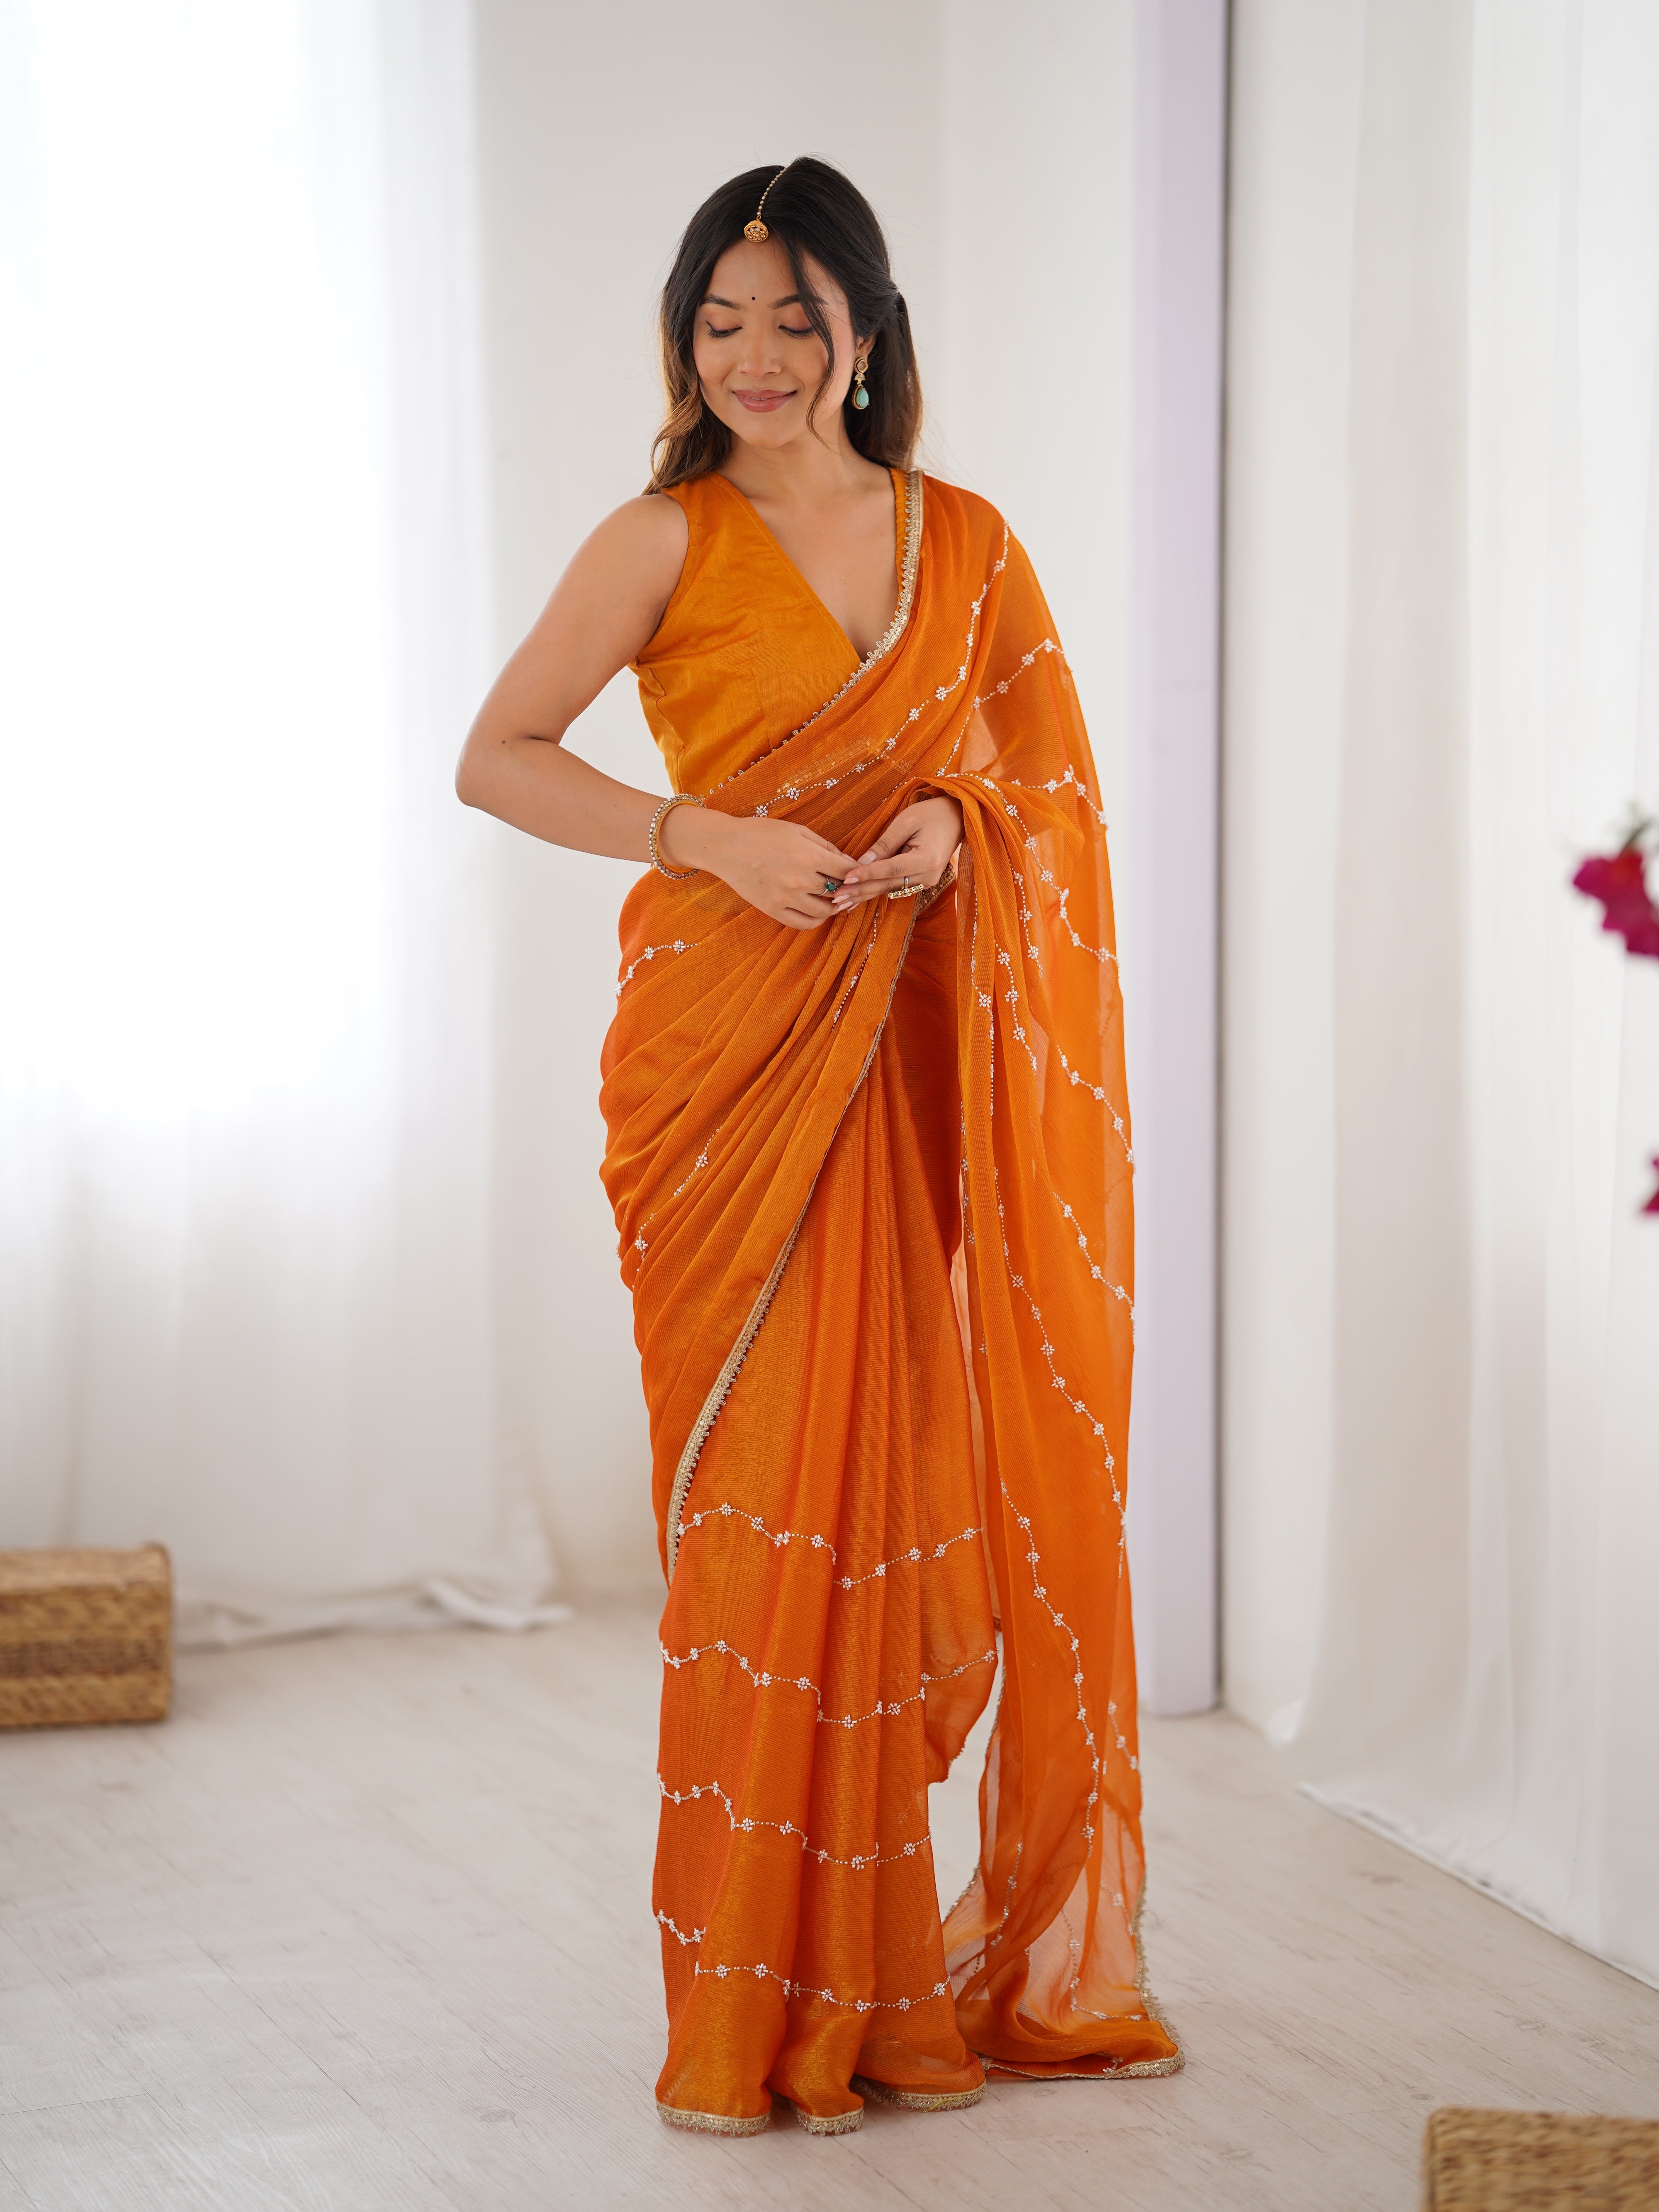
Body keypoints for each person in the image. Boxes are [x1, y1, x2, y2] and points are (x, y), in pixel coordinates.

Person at [456, 156, 1181, 2137]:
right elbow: (495, 752)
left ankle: (872, 2006)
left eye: (795, 313)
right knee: (770, 1527)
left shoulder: (969, 542)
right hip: (724, 1069)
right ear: (686, 341)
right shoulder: (660, 536)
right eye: (721, 318)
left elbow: (1041, 789)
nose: (759, 353)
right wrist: (705, 833)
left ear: (866, 324)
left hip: (898, 1067)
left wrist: (957, 825)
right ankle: (745, 2012)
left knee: (880, 1516)